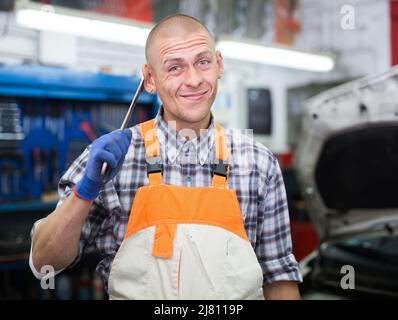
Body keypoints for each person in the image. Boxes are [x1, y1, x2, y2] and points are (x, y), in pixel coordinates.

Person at [29, 13, 302, 300]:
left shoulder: (259, 163)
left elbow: (279, 280)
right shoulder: (112, 159)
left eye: (203, 62)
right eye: (175, 68)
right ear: (149, 79)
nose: (194, 80)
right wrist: (85, 191)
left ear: (219, 64)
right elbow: (44, 263)